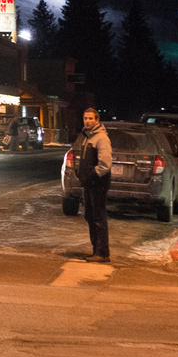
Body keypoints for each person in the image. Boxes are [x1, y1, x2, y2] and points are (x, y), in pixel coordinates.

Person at [74, 108, 111, 262]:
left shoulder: (101, 138)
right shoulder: (86, 136)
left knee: (98, 217)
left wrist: (91, 175)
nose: (87, 121)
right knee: (90, 216)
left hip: (98, 183)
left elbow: (104, 164)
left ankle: (102, 253)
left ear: (97, 120)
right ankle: (96, 250)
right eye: (85, 118)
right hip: (89, 183)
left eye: (90, 118)